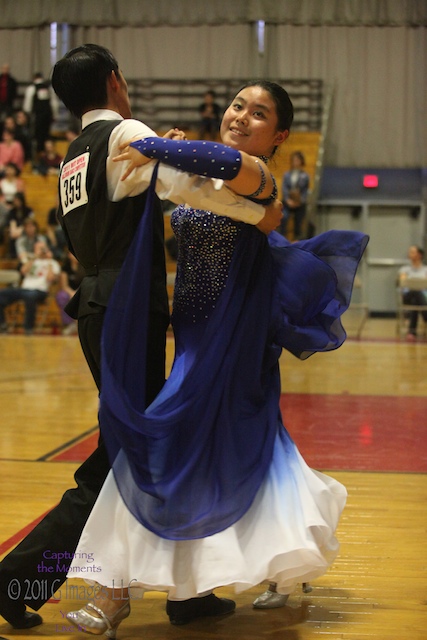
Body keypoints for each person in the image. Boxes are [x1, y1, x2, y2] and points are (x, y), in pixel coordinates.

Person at [63, 81, 368, 635]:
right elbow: (189, 177)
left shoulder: (259, 175)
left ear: (278, 137)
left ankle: (113, 597)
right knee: (248, 446)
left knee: (157, 446)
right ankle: (287, 565)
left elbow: (222, 161)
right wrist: (168, 151)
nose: (241, 116)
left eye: (259, 114)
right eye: (237, 105)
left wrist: (154, 145)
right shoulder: (208, 173)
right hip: (198, 335)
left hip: (233, 332)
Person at [0, 44, 281, 631]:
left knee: (137, 453)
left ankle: (184, 589)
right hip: (128, 310)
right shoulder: (126, 130)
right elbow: (191, 190)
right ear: (115, 81)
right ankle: (24, 581)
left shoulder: (70, 157)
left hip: (97, 302)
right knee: (121, 461)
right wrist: (264, 213)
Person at [0, 240, 60, 334]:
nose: (42, 251)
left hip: (40, 291)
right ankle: (2, 325)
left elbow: (51, 278)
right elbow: (23, 271)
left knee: (30, 296)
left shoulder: (53, 263)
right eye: (39, 248)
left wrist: (48, 260)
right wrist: (35, 257)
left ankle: (28, 328)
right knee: (2, 294)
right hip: (24, 289)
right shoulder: (32, 261)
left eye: (43, 248)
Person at [23, 72, 58, 155]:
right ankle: (47, 153)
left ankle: (38, 153)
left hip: (37, 116)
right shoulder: (49, 88)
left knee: (37, 136)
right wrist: (54, 115)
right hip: (47, 116)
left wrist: (27, 113)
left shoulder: (32, 88)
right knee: (46, 135)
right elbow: (54, 103)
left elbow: (27, 105)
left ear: (34, 78)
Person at [279, 150, 310, 241]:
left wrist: (300, 201)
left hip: (299, 204)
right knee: (283, 217)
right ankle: (282, 238)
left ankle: (298, 239)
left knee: (299, 219)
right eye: (294, 160)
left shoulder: (305, 176)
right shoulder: (287, 175)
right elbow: (284, 188)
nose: (295, 162)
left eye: (297, 160)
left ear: (301, 161)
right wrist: (288, 200)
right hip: (287, 202)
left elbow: (305, 191)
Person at [398, 245, 427, 341]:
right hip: (407, 296)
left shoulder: (425, 270)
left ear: (419, 255)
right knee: (415, 292)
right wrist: (417, 284)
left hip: (422, 298)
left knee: (416, 300)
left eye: (412, 252)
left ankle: (411, 332)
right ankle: (425, 316)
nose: (409, 254)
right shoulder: (404, 269)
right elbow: (403, 283)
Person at [55, 249, 84, 334]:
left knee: (84, 297)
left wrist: (77, 292)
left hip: (82, 290)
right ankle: (69, 324)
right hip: (68, 291)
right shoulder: (65, 268)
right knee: (62, 296)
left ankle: (80, 323)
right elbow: (64, 286)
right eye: (71, 254)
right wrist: (71, 293)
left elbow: (86, 282)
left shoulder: (84, 266)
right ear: (68, 256)